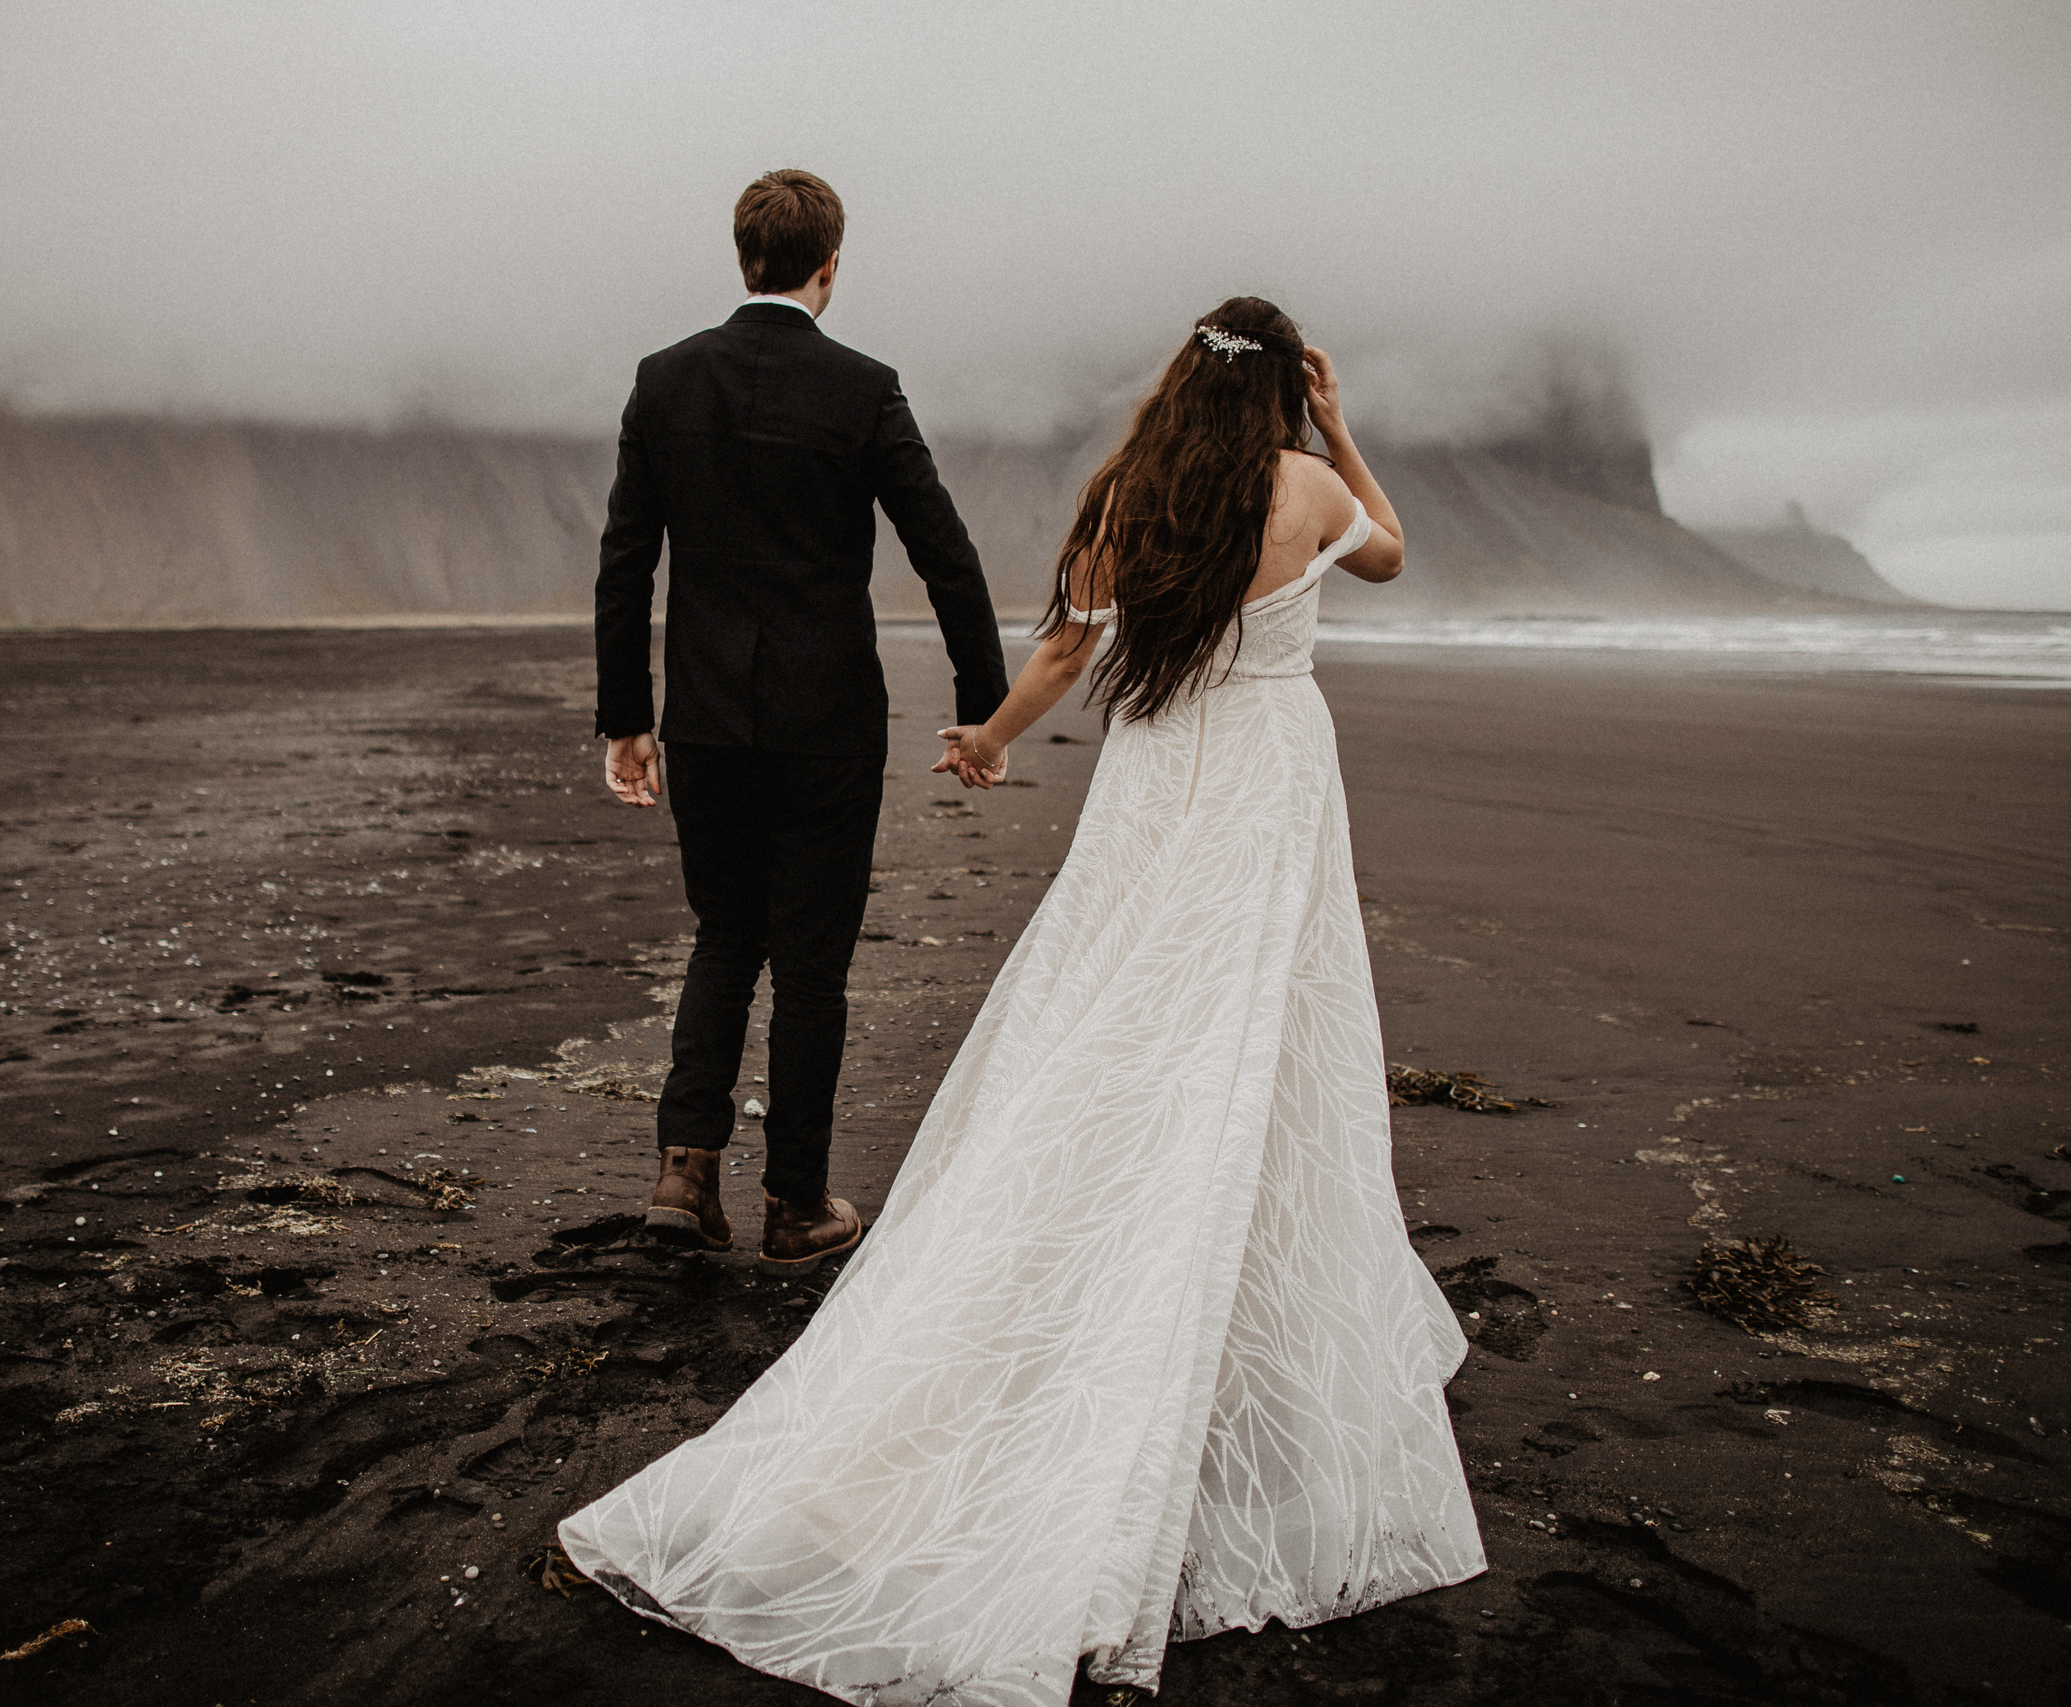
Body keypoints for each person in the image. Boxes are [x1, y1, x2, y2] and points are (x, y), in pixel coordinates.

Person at [564, 297, 1485, 1706]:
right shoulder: (1306, 489)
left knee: (1107, 1032)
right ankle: (1227, 1327)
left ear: (1180, 384)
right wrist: (1343, 425)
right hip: (1267, 795)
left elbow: (1065, 652)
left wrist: (987, 738)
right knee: (1258, 1040)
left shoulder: (1131, 496)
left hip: (1156, 792)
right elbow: (1396, 554)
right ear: (1283, 391)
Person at [592, 169, 1009, 1274]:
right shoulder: (863, 389)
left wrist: (627, 719)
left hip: (712, 718)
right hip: (827, 719)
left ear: (743, 259)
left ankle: (683, 1174)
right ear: (831, 264)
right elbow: (945, 554)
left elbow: (625, 562)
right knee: (811, 966)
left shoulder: (664, 381)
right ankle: (794, 1203)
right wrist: (984, 709)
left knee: (726, 936)